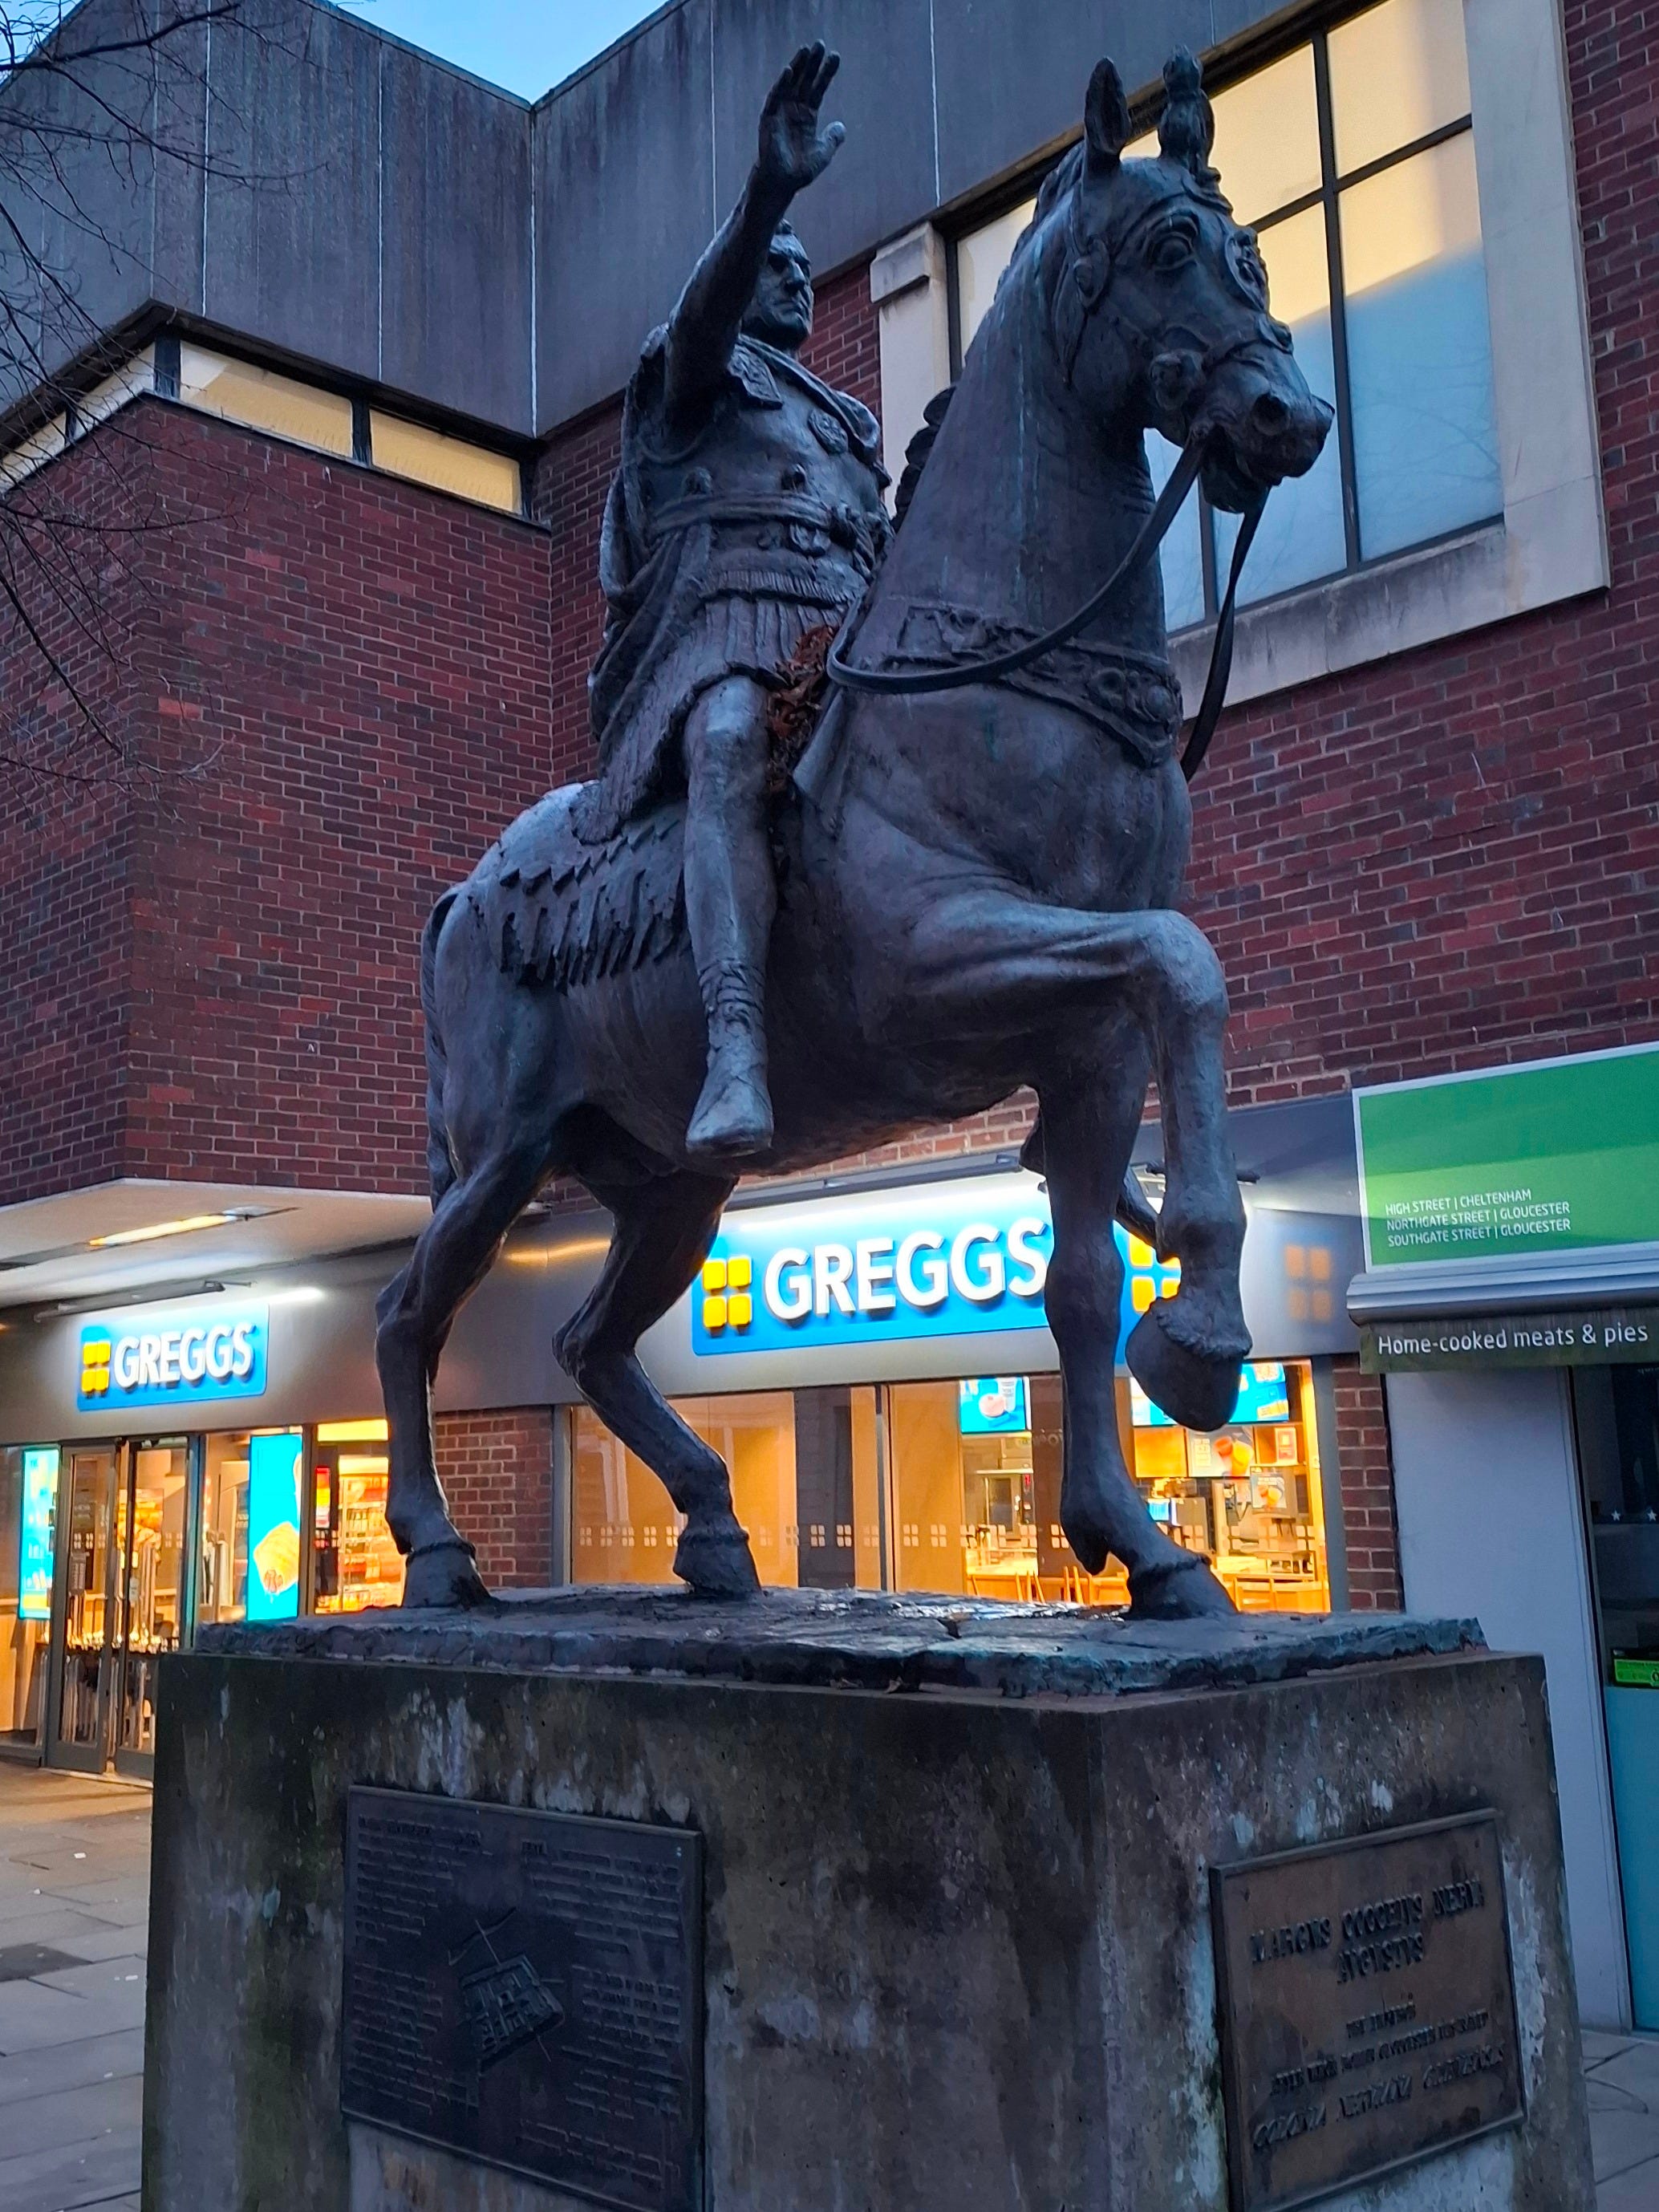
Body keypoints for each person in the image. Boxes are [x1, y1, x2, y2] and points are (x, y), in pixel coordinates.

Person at [574, 43, 890, 1161]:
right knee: (729, 740)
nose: (798, 277)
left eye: (804, 264)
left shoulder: (843, 419)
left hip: (850, 632)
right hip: (731, 624)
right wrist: (768, 196)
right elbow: (706, 319)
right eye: (775, 263)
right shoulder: (694, 373)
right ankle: (735, 1041)